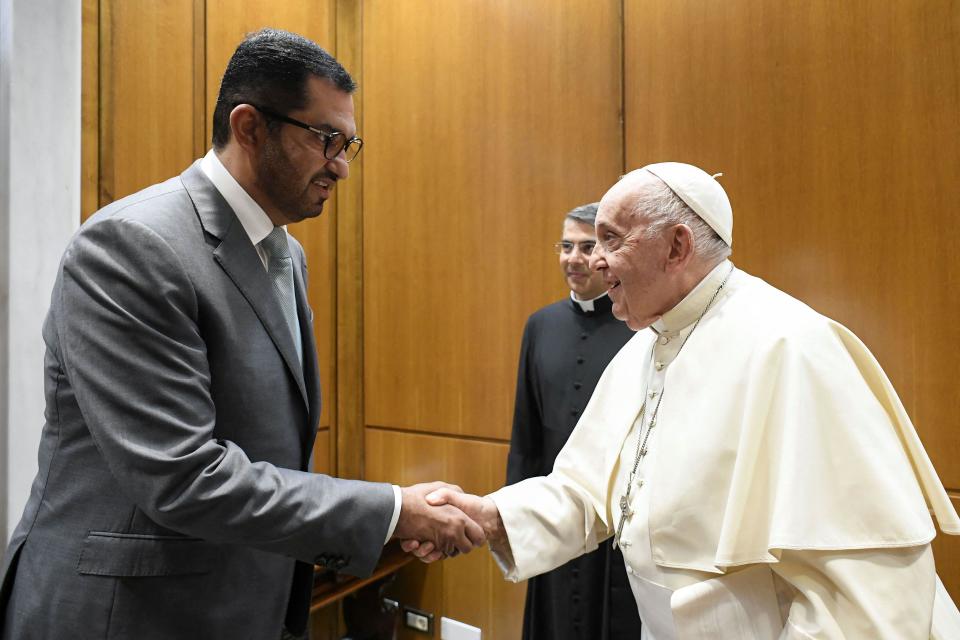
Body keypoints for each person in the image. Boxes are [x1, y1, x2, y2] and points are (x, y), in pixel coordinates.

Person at [0, 28, 483, 640]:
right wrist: (388, 512)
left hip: (235, 602)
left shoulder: (286, 254)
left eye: (348, 143)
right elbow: (182, 475)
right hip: (127, 614)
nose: (341, 165)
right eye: (325, 139)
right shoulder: (132, 246)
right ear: (251, 126)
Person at [414, 162, 960, 639]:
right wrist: (492, 517)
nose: (594, 261)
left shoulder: (790, 346)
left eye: (610, 239)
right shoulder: (646, 346)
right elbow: (588, 491)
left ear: (677, 246)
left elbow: (863, 590)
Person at [506, 202, 638, 640]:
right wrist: (515, 515)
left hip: (612, 528)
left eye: (586, 247)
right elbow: (525, 435)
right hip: (553, 514)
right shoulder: (539, 326)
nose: (573, 259)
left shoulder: (639, 329)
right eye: (565, 247)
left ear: (607, 255)